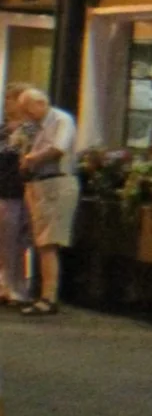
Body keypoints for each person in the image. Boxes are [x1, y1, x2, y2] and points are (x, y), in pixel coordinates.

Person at [15, 87, 80, 316]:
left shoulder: (61, 120)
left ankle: (48, 297)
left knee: (48, 242)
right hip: (39, 184)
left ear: (40, 103)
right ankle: (42, 292)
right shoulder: (35, 126)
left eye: (28, 109)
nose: (26, 115)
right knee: (41, 242)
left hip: (56, 183)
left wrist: (31, 159)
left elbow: (58, 149)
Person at [0, 100, 27, 306]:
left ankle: (17, 288)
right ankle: (5, 285)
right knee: (4, 241)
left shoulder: (29, 130)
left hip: (16, 191)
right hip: (3, 190)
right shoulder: (3, 131)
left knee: (15, 241)